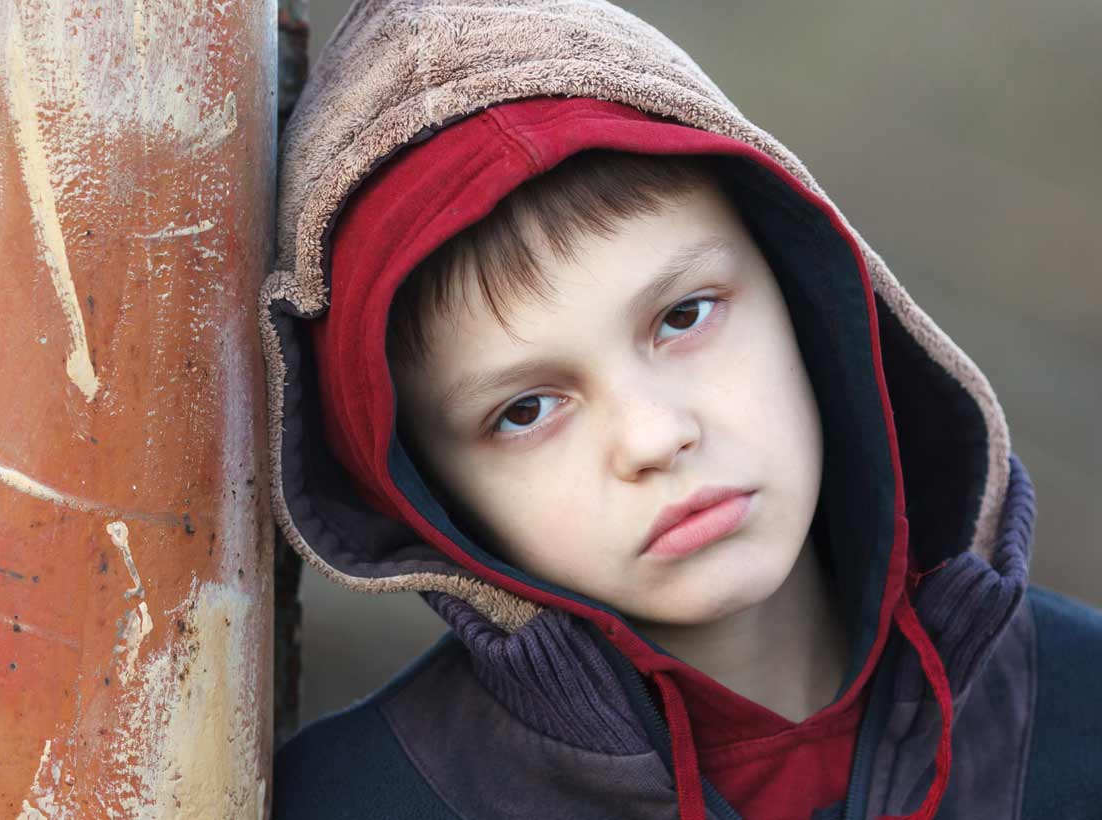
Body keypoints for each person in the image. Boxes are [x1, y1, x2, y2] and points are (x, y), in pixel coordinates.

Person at [263, 1, 1102, 817]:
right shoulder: (359, 801)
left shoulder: (1082, 710)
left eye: (683, 317)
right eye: (525, 410)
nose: (656, 437)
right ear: (426, 497)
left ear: (805, 292)